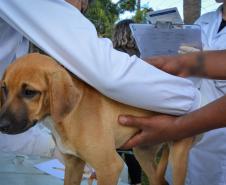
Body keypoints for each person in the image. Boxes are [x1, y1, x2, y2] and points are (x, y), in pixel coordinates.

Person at [119, 0, 226, 181]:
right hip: (189, 109)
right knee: (179, 173)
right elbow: (188, 66)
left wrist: (177, 127)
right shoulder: (204, 20)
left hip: (218, 134)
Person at [112, 19, 142, 185]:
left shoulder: (110, 55)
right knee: (135, 154)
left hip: (112, 114)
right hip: (137, 114)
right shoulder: (144, 57)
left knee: (111, 155)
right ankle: (136, 182)